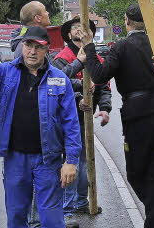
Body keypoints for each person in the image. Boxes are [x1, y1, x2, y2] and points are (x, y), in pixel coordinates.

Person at [0, 20, 81, 228]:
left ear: (46, 49)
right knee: (16, 216)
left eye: (39, 47)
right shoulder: (5, 73)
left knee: (51, 219)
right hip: (15, 158)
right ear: (22, 45)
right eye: (28, 45)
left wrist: (71, 161)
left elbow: (71, 124)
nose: (32, 51)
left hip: (48, 160)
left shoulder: (59, 79)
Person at [82, 3, 154, 228]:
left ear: (126, 21)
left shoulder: (122, 46)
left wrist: (89, 48)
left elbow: (99, 75)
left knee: (136, 174)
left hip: (139, 115)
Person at [53, 16, 112, 225]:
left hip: (86, 119)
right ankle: (66, 209)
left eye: (84, 28)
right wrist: (79, 94)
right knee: (71, 163)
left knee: (86, 163)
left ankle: (80, 201)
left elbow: (104, 86)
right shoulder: (63, 57)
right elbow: (58, 80)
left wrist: (105, 109)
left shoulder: (96, 58)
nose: (80, 31)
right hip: (66, 119)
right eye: (75, 28)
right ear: (69, 34)